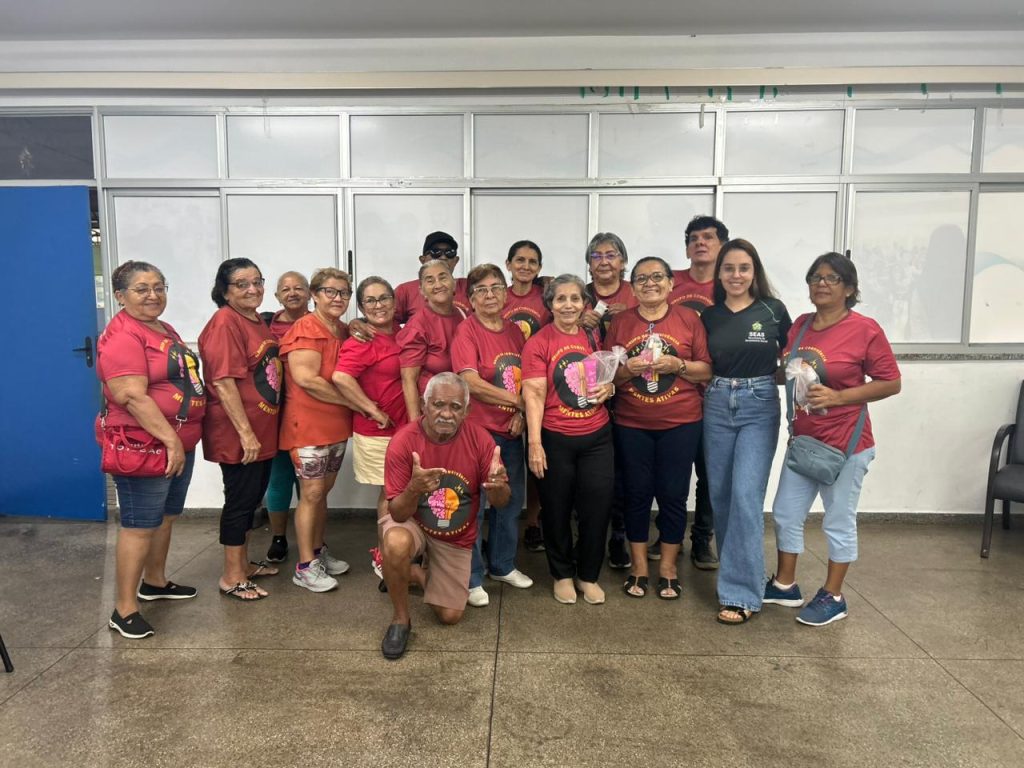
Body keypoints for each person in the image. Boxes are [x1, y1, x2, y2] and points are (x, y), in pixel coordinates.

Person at [766, 252, 901, 626]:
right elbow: (788, 372)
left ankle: (833, 595)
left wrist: (839, 397)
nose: (821, 283)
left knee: (838, 521)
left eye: (832, 278)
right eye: (815, 277)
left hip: (846, 445)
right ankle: (785, 585)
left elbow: (891, 382)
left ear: (850, 289)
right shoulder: (800, 326)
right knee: (785, 514)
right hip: (804, 441)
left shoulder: (865, 329)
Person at [98, 261, 206, 638]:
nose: (153, 295)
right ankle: (124, 609)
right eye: (142, 289)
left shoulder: (162, 328)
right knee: (139, 525)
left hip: (177, 443)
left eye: (159, 287)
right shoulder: (123, 335)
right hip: (143, 445)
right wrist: (171, 440)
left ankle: (155, 582)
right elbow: (131, 395)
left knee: (165, 517)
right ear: (120, 296)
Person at [379, 373, 510, 660]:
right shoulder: (403, 441)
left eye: (455, 407)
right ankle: (400, 619)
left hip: (455, 536)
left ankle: (408, 573)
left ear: (467, 410)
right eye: (438, 404)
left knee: (450, 616)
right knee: (396, 542)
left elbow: (501, 503)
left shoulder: (481, 440)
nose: (446, 414)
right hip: (413, 522)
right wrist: (414, 489)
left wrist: (498, 487)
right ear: (424, 405)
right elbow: (397, 513)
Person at [607, 257, 711, 600]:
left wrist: (678, 364)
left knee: (673, 495)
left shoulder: (689, 319)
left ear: (670, 283)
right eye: (641, 278)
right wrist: (628, 370)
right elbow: (606, 378)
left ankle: (668, 568)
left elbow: (706, 370)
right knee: (636, 494)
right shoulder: (621, 322)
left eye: (656, 277)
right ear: (633, 286)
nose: (649, 283)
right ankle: (638, 567)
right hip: (631, 424)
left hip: (681, 424)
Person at [700, 240, 791, 624]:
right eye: (729, 268)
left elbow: (793, 359)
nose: (736, 275)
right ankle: (736, 582)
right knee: (721, 496)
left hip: (759, 403)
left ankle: (741, 594)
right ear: (719, 274)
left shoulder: (773, 310)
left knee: (745, 496)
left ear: (755, 272)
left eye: (744, 268)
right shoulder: (709, 316)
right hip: (717, 402)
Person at [523, 274, 615, 606]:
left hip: (597, 437)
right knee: (556, 508)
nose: (568, 305)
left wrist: (609, 387)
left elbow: (601, 380)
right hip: (555, 438)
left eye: (575, 298)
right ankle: (562, 574)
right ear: (550, 304)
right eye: (560, 299)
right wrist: (535, 444)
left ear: (584, 304)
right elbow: (534, 395)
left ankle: (587, 575)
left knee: (597, 508)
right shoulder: (539, 343)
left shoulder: (593, 336)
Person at [199, 258, 282, 601]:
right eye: (242, 284)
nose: (253, 289)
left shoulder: (254, 320)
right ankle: (232, 576)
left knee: (251, 500)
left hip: (260, 430)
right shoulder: (225, 322)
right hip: (238, 432)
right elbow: (223, 381)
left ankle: (243, 564)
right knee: (240, 501)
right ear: (224, 291)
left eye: (257, 281)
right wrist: (246, 433)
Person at [451, 263, 532, 608]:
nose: (489, 295)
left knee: (509, 502)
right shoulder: (466, 331)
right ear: (470, 299)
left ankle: (502, 565)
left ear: (505, 292)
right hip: (477, 434)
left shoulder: (515, 332)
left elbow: (527, 378)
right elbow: (469, 382)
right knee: (475, 507)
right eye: (481, 290)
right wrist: (519, 402)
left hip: (510, 432)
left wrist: (521, 413)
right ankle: (471, 578)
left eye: (496, 287)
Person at [278, 268, 354, 592]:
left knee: (322, 493)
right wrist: (355, 401)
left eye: (344, 293)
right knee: (310, 494)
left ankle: (318, 550)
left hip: (336, 425)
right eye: (330, 291)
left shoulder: (343, 329)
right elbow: (306, 379)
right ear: (315, 294)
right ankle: (305, 566)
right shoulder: (305, 328)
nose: (337, 298)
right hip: (307, 426)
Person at [666, 214, 731, 570]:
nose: (700, 243)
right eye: (694, 238)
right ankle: (669, 535)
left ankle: (703, 538)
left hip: (716, 396)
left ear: (723, 245)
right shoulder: (670, 282)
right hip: (671, 396)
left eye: (708, 237)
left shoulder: (731, 285)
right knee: (672, 473)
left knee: (710, 474)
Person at [332, 277, 409, 536]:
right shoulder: (362, 340)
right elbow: (341, 377)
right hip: (379, 433)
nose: (378, 305)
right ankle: (388, 551)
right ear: (362, 308)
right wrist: (373, 410)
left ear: (394, 302)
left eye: (384, 298)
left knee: (405, 490)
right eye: (370, 301)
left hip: (405, 428)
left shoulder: (401, 332)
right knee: (391, 492)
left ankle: (404, 548)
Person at [503, 240, 551, 553]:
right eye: (519, 260)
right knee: (503, 462)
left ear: (539, 268)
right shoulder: (497, 295)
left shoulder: (546, 297)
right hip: (503, 388)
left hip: (539, 387)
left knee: (537, 461)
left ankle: (533, 522)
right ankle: (498, 525)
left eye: (533, 261)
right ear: (508, 264)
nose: (525, 266)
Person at [260, 271, 311, 563]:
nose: (292, 293)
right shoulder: (264, 327)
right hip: (274, 417)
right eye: (286, 289)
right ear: (277, 296)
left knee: (311, 484)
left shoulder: (322, 323)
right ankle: (278, 537)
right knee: (279, 479)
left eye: (298, 288)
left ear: (310, 293)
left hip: (312, 416)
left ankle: (314, 540)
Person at [396, 260, 466, 420]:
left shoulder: (463, 315)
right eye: (430, 280)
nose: (438, 284)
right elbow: (409, 380)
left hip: (460, 407)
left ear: (454, 283)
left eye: (443, 277)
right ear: (422, 291)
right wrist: (415, 425)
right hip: (434, 414)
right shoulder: (418, 325)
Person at [392, 231, 471, 324]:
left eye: (449, 252)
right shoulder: (405, 291)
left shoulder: (469, 286)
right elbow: (385, 321)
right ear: (423, 260)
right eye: (436, 252)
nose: (443, 257)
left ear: (456, 260)